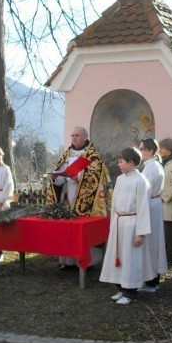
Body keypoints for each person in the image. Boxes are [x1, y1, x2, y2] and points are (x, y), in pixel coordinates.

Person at [45, 126, 111, 268]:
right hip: (68, 196)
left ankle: (87, 262)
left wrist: (78, 179)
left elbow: (97, 178)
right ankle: (68, 262)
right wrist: (55, 178)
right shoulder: (67, 155)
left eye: (77, 135)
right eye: (72, 135)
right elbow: (60, 178)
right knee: (68, 230)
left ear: (85, 137)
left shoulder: (93, 156)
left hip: (87, 199)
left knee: (84, 231)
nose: (74, 138)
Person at [100, 147, 154, 306]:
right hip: (119, 223)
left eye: (121, 161)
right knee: (118, 258)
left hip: (132, 225)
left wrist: (140, 233)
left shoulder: (141, 181)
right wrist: (113, 224)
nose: (118, 164)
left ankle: (130, 293)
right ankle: (121, 288)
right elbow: (115, 203)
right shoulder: (120, 179)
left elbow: (143, 208)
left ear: (131, 162)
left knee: (131, 259)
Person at [137, 139, 168, 292]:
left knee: (150, 243)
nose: (140, 151)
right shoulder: (154, 165)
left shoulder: (151, 168)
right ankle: (152, 279)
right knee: (154, 243)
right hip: (154, 205)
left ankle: (151, 281)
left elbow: (145, 191)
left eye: (142, 148)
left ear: (150, 151)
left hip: (150, 205)